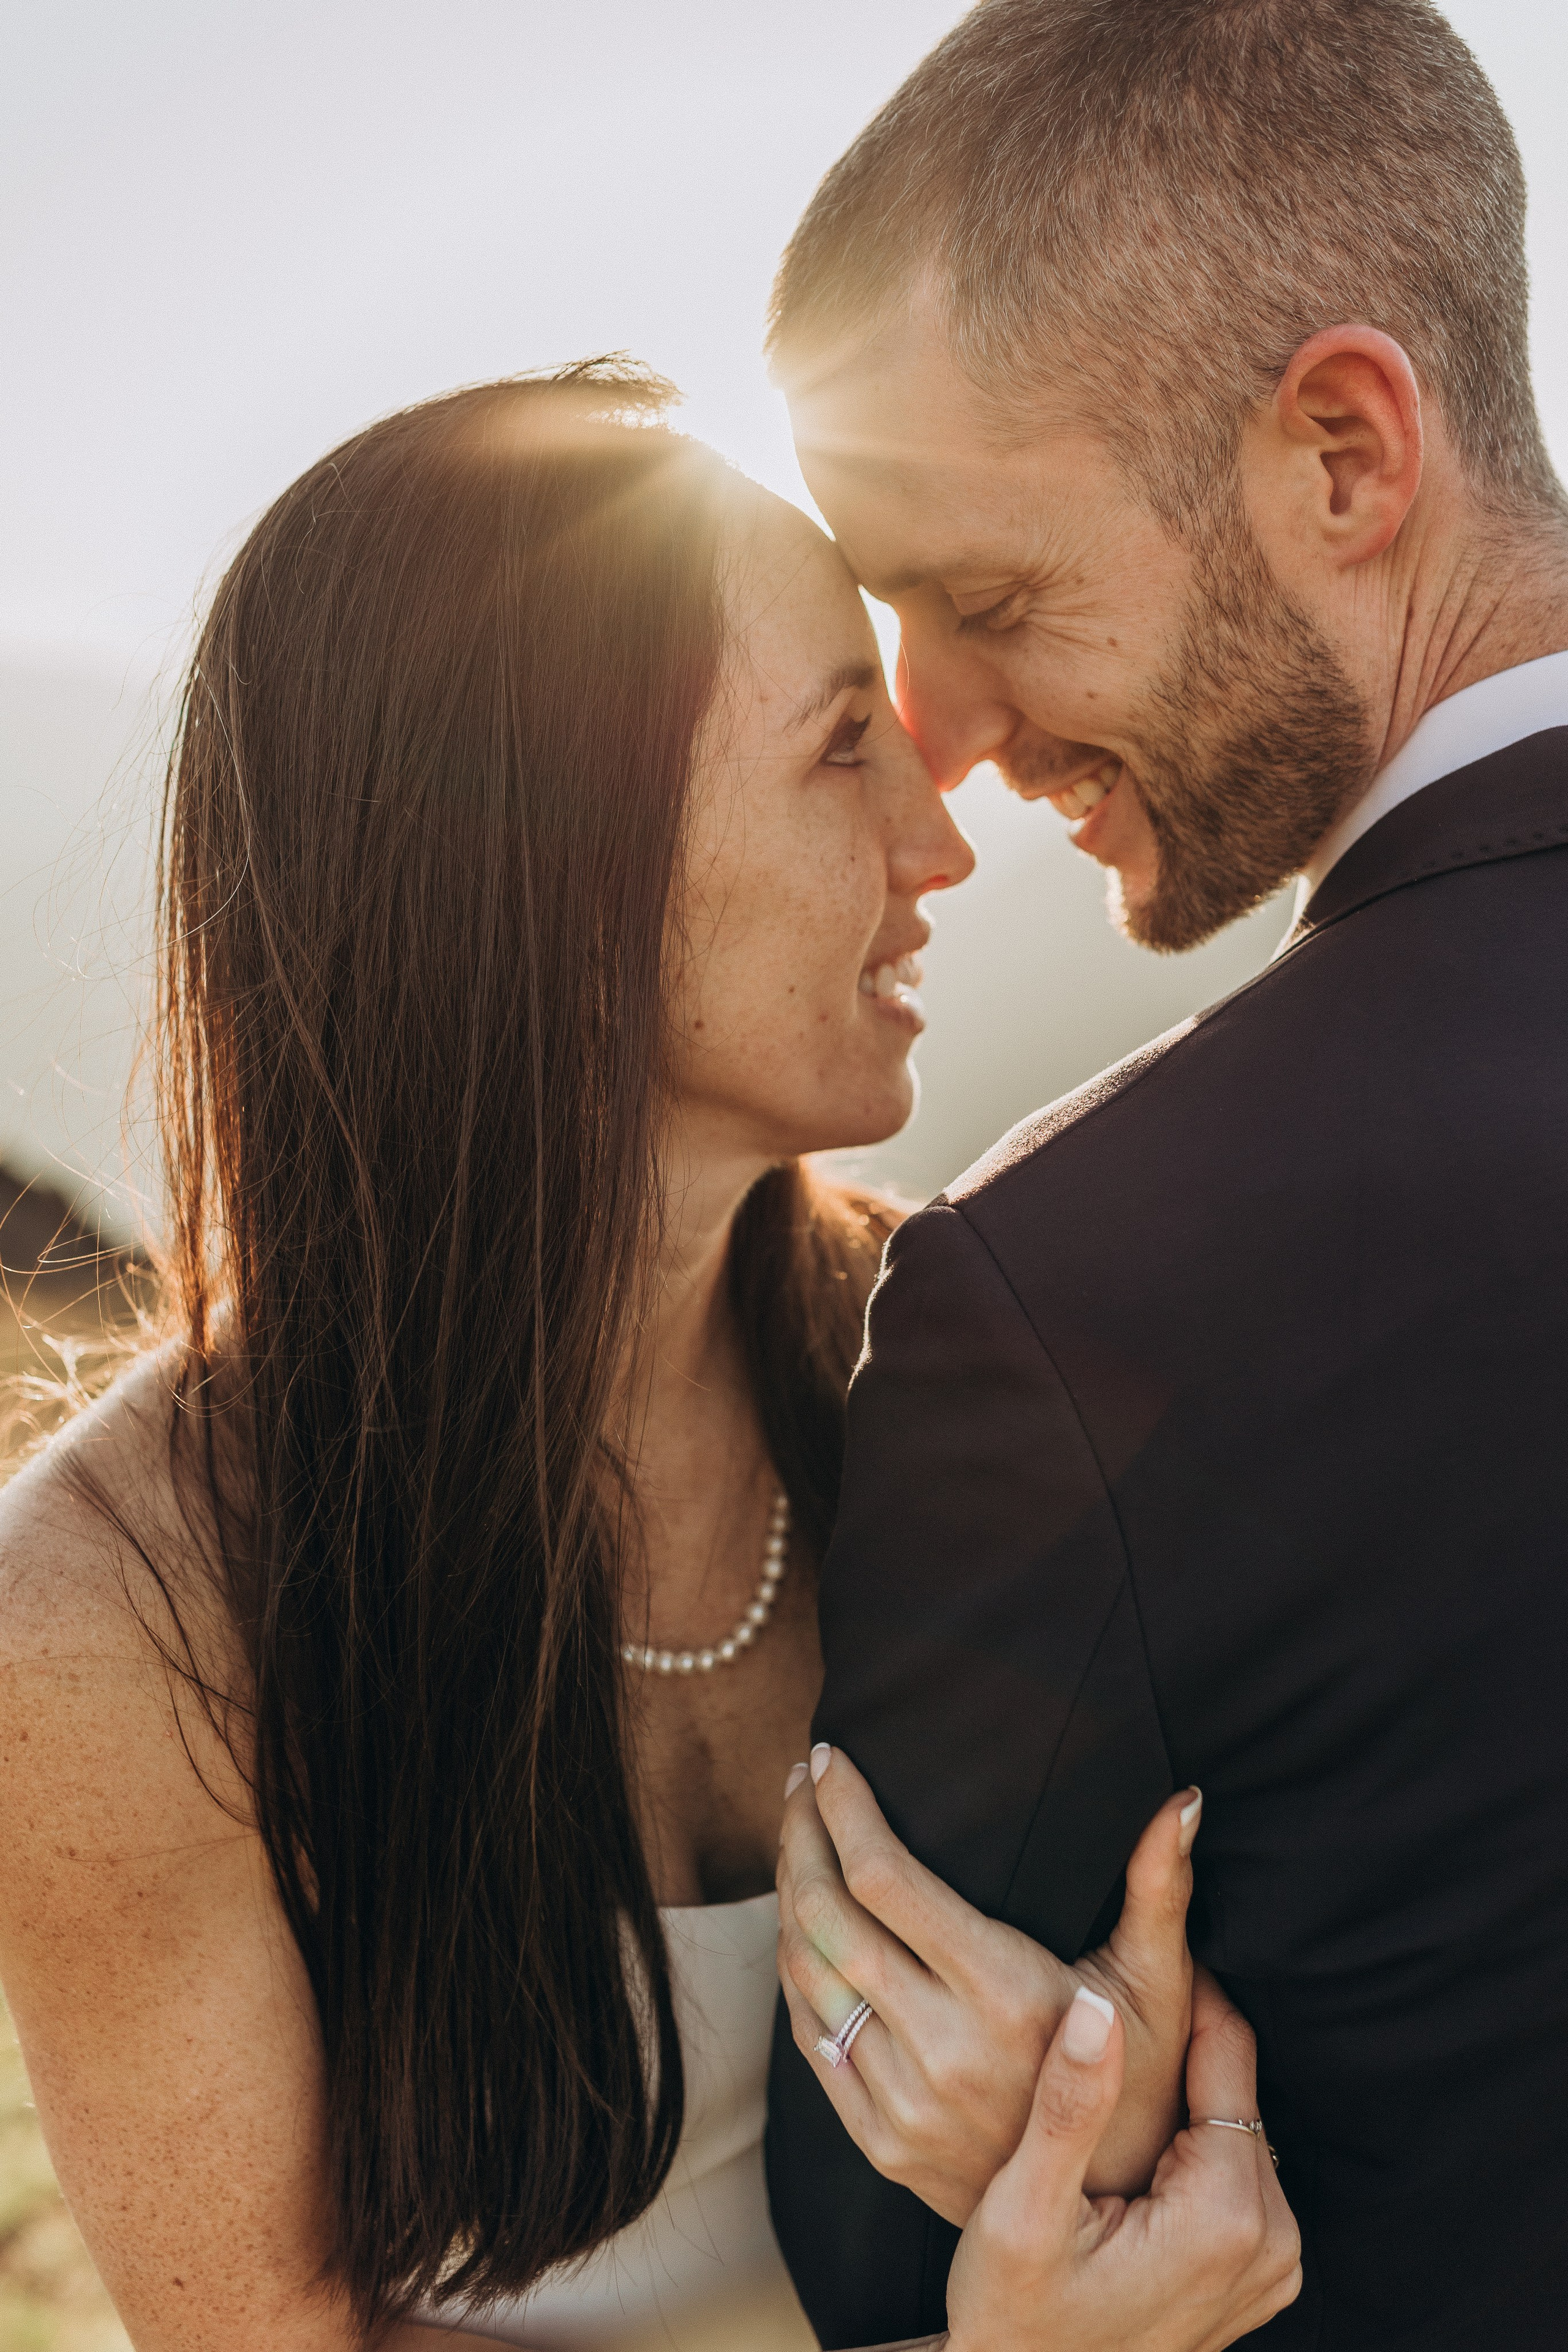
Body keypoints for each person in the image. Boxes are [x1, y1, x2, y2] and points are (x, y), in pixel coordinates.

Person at [0, 366, 1298, 2351]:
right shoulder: (116, 1618)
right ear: (547, 859)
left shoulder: (977, 1372)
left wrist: (1118, 2123)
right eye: (841, 747)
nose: (940, 848)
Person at [762, 2, 1568, 2346]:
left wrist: (1081, 2134)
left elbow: (882, 2257)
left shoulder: (1075, 1298)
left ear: (1343, 451)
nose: (938, 730)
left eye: (987, 600)